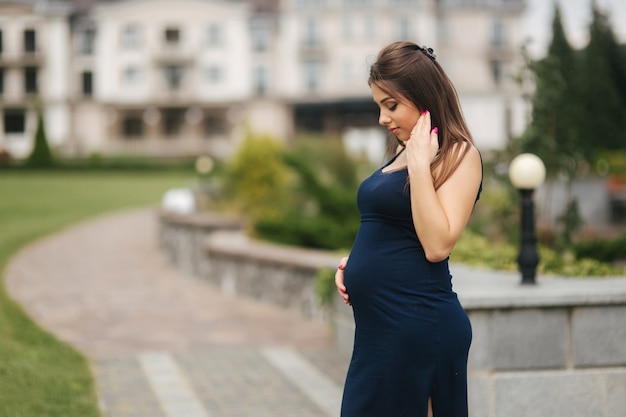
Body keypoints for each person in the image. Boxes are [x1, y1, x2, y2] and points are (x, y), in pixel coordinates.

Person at [335, 41, 483, 417]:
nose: (383, 119)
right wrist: (353, 265)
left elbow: (437, 245)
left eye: (391, 105)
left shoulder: (458, 155)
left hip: (418, 328)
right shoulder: (404, 153)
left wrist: (420, 167)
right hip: (380, 332)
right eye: (379, 107)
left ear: (423, 98)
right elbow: (393, 227)